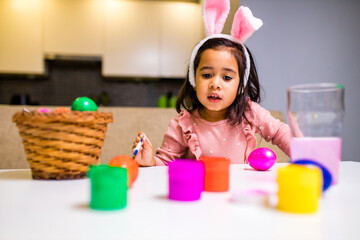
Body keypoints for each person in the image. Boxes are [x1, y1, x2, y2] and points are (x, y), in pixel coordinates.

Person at [132, 1, 291, 166]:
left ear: (240, 85)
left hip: (237, 190)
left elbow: (280, 132)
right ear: (194, 80)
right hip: (200, 192)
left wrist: (305, 154)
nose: (215, 83)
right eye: (207, 75)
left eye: (227, 78)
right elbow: (165, 162)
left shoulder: (250, 113)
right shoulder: (182, 124)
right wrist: (149, 161)